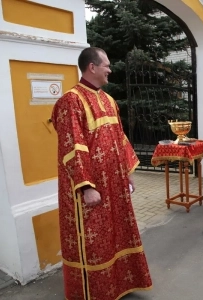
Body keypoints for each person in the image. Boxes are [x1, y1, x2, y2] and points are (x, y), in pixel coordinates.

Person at [51, 47, 152, 300]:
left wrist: (127, 172)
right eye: (106, 65)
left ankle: (118, 284)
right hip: (91, 187)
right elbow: (72, 145)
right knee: (94, 241)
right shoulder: (70, 101)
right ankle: (95, 292)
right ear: (92, 67)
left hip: (114, 183)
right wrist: (86, 186)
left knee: (117, 232)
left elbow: (120, 138)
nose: (110, 69)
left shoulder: (109, 100)